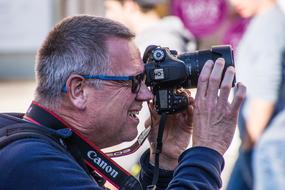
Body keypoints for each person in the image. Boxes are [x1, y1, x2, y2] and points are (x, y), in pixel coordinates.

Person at [0, 15, 246, 190]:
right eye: (133, 82)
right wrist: (207, 151)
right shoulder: (33, 162)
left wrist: (167, 160)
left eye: (144, 79)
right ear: (78, 90)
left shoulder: (43, 143)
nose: (146, 95)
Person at [226, 0, 285, 190]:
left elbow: (266, 92)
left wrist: (249, 143)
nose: (232, 2)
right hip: (260, 144)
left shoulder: (268, 26)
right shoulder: (265, 21)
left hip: (267, 146)